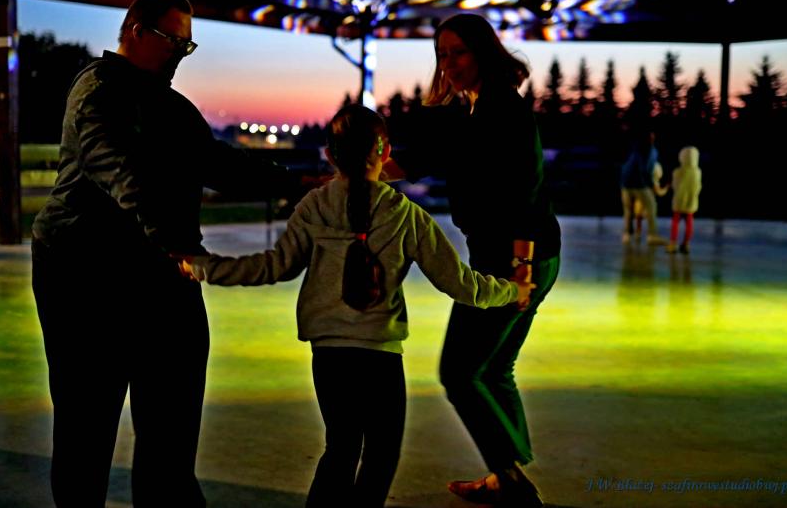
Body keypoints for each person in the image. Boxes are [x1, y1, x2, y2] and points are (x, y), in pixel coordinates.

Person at [180, 104, 533, 508]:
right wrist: (513, 291)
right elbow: (463, 286)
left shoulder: (314, 206)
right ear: (385, 153)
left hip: (328, 354)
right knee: (381, 454)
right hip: (379, 355)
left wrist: (204, 266)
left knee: (341, 448)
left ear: (330, 155)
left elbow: (271, 267)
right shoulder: (406, 215)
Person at [30, 0, 294, 507]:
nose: (179, 52)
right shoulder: (97, 91)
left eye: (186, 44)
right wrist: (175, 242)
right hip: (85, 277)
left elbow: (217, 163)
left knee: (172, 424)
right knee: (87, 426)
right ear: (135, 31)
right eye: (172, 39)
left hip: (162, 271)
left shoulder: (172, 106)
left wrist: (301, 182)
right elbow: (119, 169)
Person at [383, 13, 561, 507]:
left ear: (483, 52)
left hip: (515, 258)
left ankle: (512, 483)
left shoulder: (504, 110)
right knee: (495, 368)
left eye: (458, 52)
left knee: (461, 372)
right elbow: (414, 162)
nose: (449, 64)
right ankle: (506, 473)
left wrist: (521, 270)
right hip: (520, 254)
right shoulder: (473, 113)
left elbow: (526, 189)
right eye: (442, 55)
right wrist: (356, 173)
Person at [620, 131, 667, 245]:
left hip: (625, 183)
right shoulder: (651, 150)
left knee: (628, 210)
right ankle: (652, 235)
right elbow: (646, 168)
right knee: (651, 206)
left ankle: (627, 234)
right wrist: (651, 184)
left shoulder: (634, 148)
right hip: (639, 183)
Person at [668, 146, 702, 254]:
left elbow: (675, 185)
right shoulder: (698, 172)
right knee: (689, 223)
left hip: (679, 201)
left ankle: (673, 244)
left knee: (675, 222)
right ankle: (686, 244)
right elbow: (698, 187)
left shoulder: (677, 172)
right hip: (691, 201)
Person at [632, 161, 669, 240]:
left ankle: (638, 233)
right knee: (650, 219)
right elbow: (659, 192)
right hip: (648, 204)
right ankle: (651, 234)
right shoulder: (654, 183)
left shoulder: (641, 180)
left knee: (639, 219)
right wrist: (666, 189)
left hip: (639, 202)